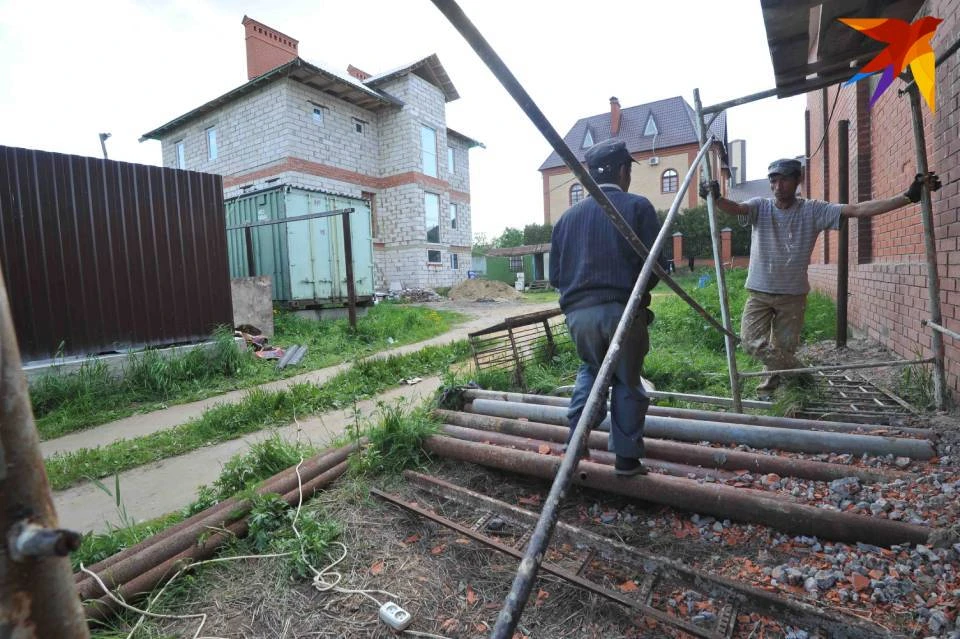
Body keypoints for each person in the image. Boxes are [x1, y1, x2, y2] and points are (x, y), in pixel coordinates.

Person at [700, 159, 941, 393]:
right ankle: (801, 374)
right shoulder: (759, 206)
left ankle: (774, 385)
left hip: (792, 295)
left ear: (798, 180)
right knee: (750, 342)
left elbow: (857, 209)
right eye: (773, 180)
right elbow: (736, 208)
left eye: (784, 180)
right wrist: (717, 197)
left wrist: (907, 197)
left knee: (783, 347)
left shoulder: (814, 210)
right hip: (759, 292)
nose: (777, 186)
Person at [549, 139, 666, 476]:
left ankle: (576, 439)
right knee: (627, 380)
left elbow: (557, 275)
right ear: (622, 170)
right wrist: (637, 298)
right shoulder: (637, 207)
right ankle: (626, 460)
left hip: (578, 317)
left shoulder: (566, 219)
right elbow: (656, 268)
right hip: (622, 311)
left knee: (591, 368)